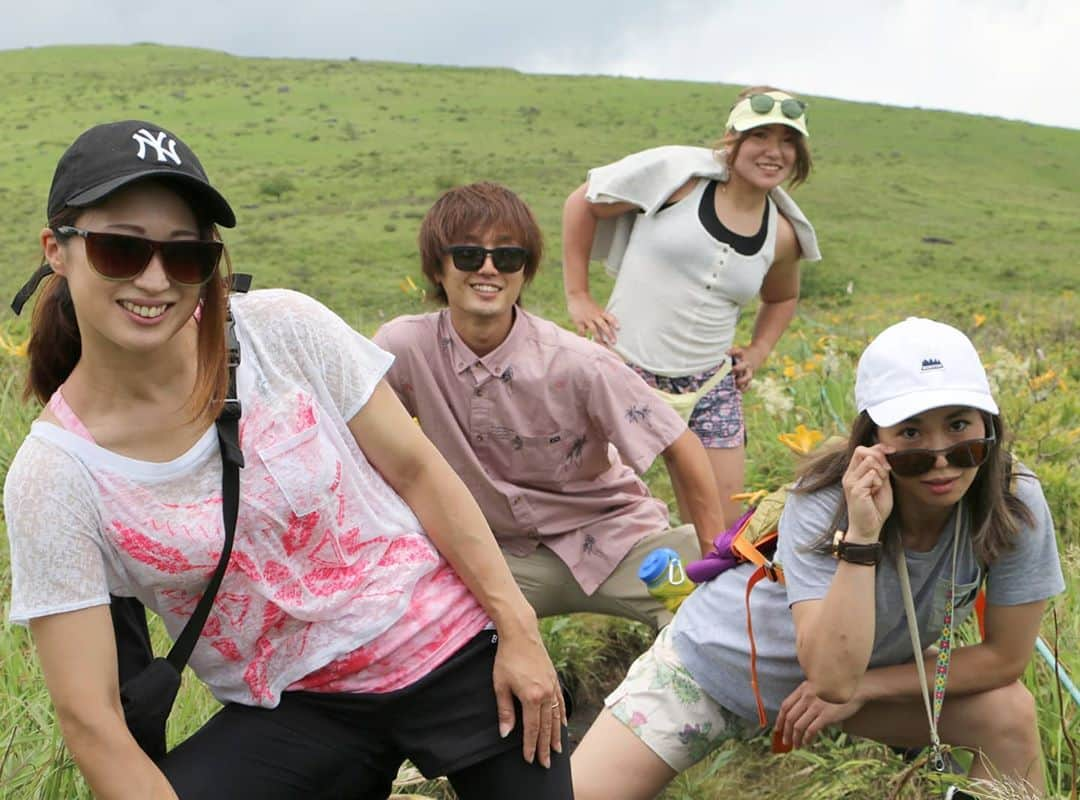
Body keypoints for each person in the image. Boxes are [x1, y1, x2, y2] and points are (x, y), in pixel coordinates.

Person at [4, 121, 573, 799]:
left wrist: (518, 628)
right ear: (57, 252)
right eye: (119, 248)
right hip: (295, 706)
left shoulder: (281, 330)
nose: (154, 279)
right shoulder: (55, 473)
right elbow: (90, 718)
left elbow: (418, 471)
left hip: (443, 640)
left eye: (185, 256)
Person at [571, 317, 1064, 800]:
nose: (940, 458)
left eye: (960, 428)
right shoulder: (823, 499)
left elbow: (1005, 658)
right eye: (911, 435)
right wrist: (863, 533)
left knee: (1008, 716)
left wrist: (870, 687)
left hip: (849, 691)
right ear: (873, 439)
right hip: (717, 667)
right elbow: (829, 674)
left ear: (989, 426)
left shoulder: (1011, 499)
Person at [373, 182, 726, 630]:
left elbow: (679, 444)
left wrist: (714, 555)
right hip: (495, 558)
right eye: (468, 256)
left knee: (719, 612)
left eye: (507, 257)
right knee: (407, 621)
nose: (488, 269)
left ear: (524, 271)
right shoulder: (404, 348)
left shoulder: (578, 362)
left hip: (618, 543)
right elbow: (358, 442)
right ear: (437, 269)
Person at [562, 85, 822, 527]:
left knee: (720, 530)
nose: (773, 151)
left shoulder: (781, 234)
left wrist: (757, 352)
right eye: (760, 137)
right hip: (627, 369)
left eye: (787, 141)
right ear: (733, 140)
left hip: (710, 387)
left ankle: (699, 598)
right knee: (595, 512)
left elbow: (782, 297)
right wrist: (578, 295)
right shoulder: (680, 182)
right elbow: (583, 203)